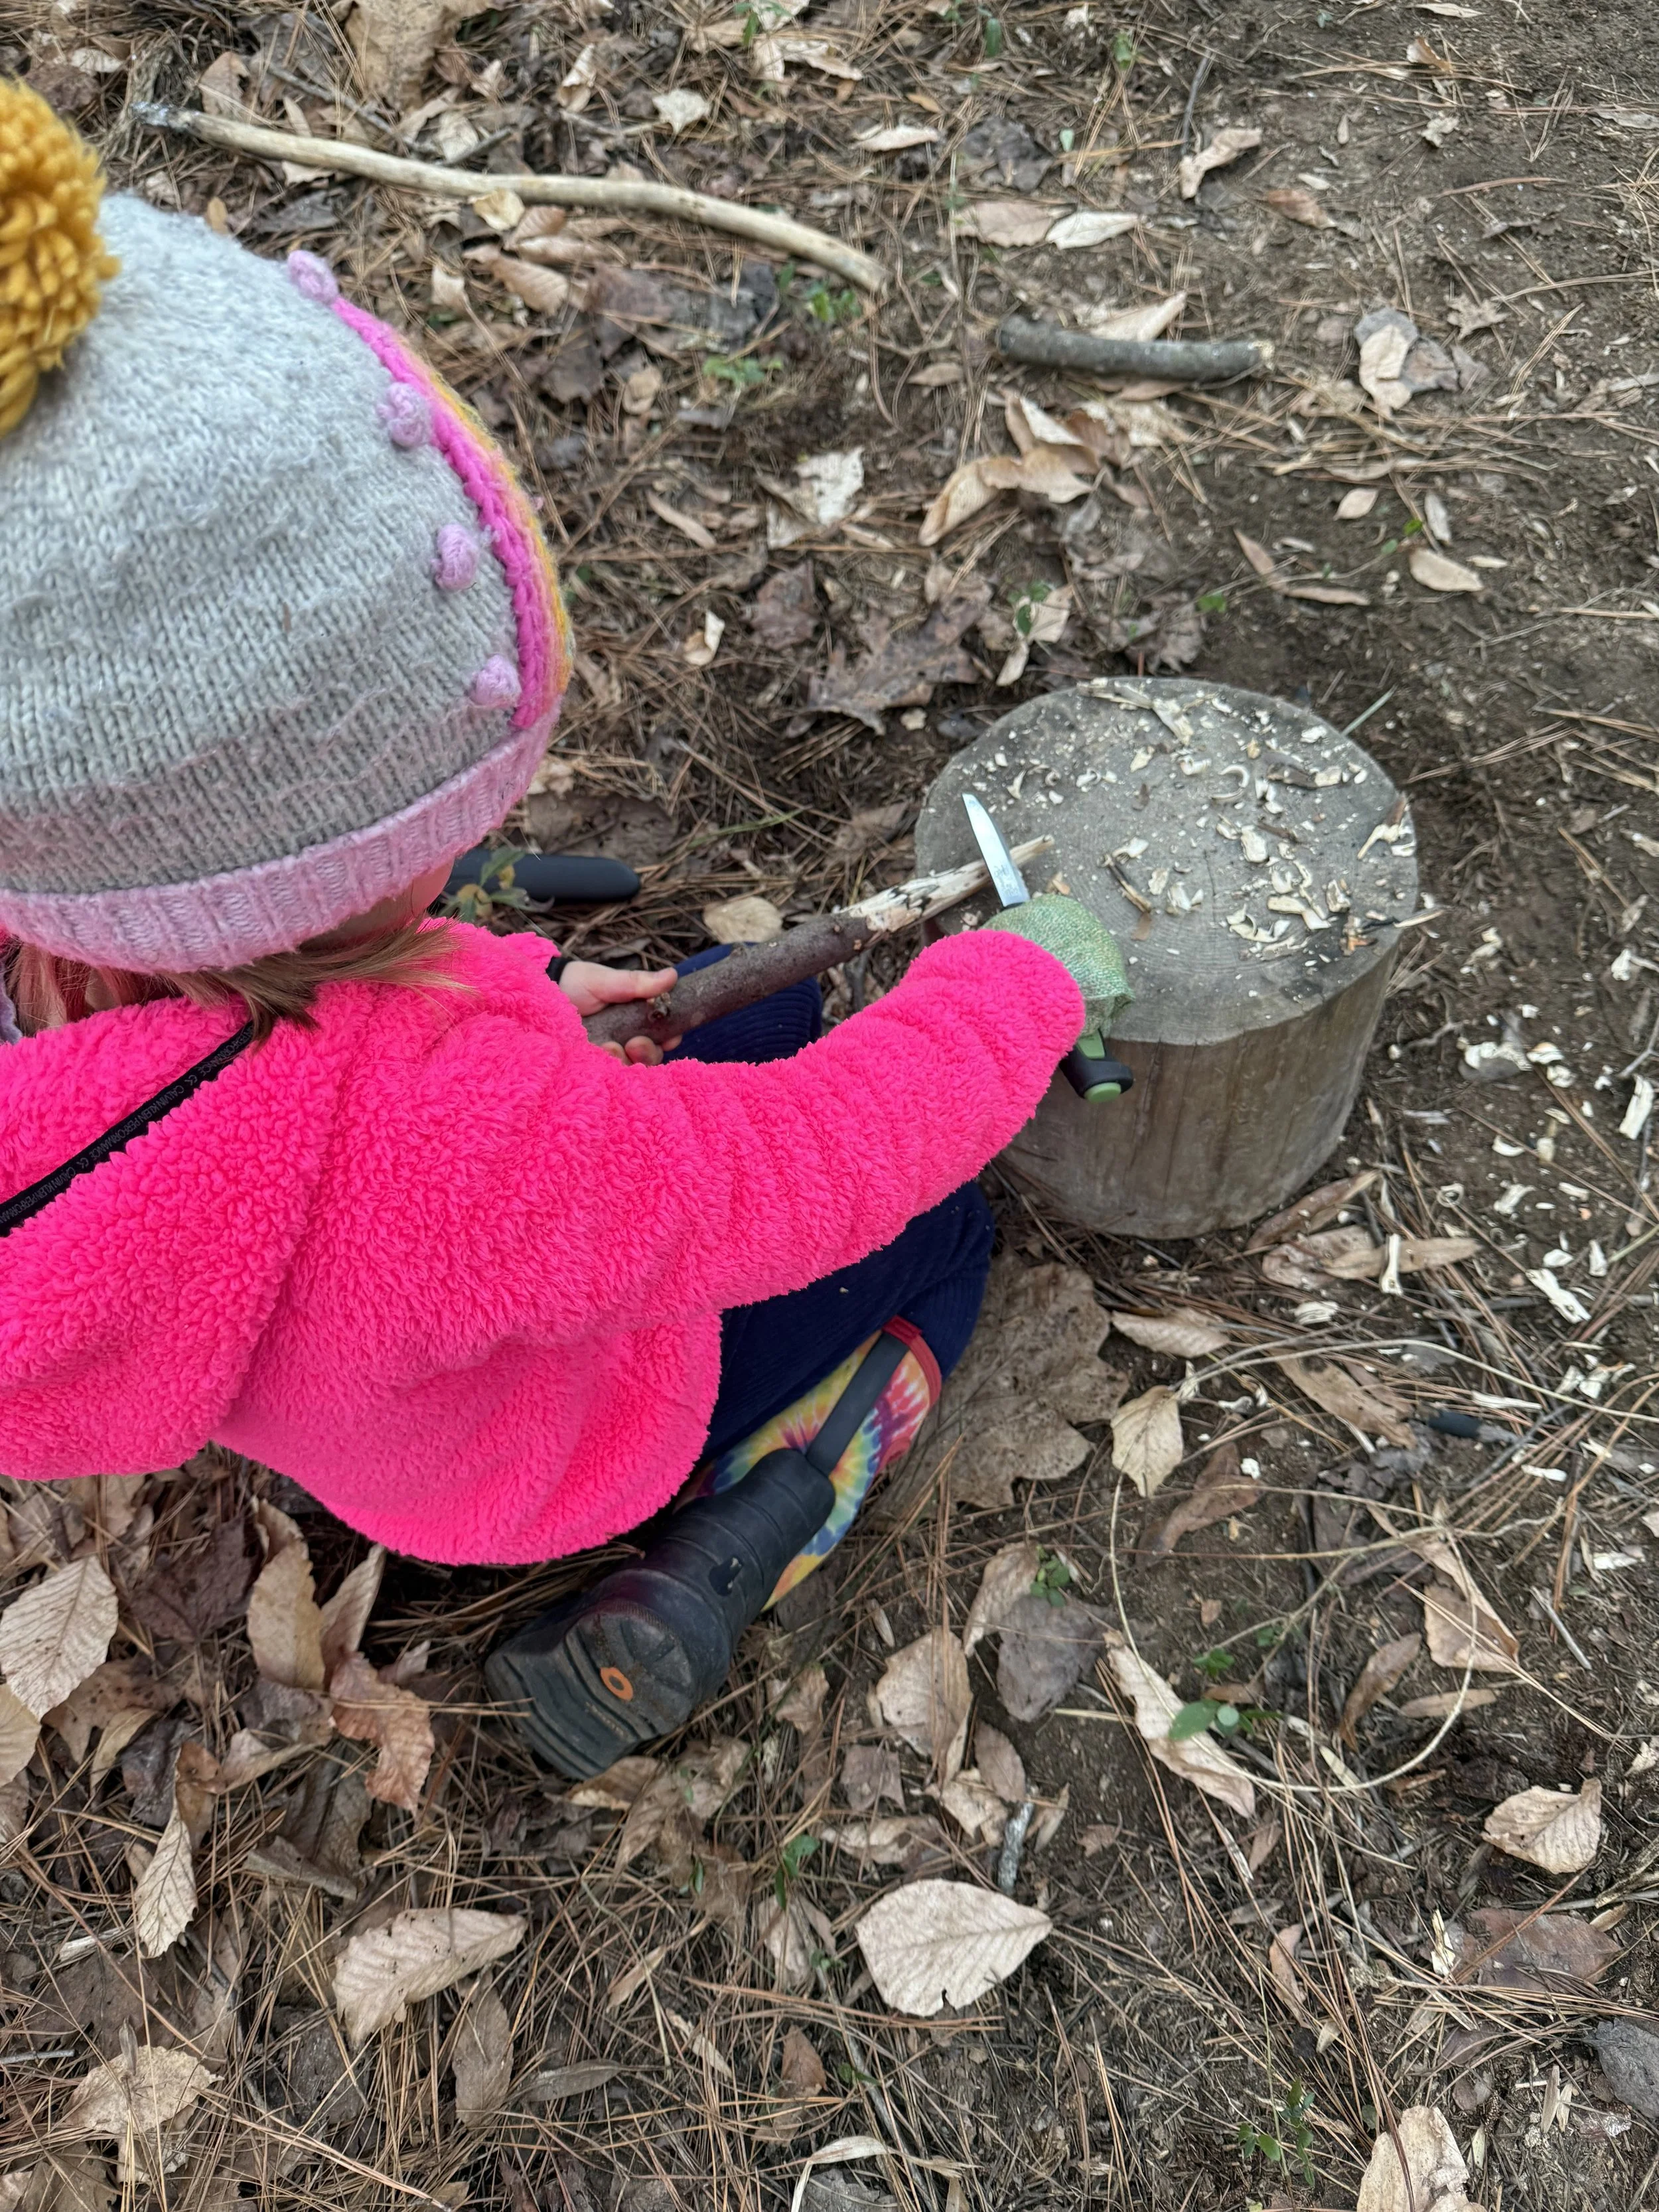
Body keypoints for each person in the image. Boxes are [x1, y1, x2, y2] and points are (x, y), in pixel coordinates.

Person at [0, 83, 1127, 1774]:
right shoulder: (477, 1154)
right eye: (435, 840)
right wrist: (1011, 989)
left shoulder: (67, 985)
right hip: (574, 1440)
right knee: (942, 1235)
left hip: (390, 1403)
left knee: (718, 1020)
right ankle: (743, 1531)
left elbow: (322, 1057)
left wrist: (514, 995)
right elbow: (813, 1160)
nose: (467, 860)